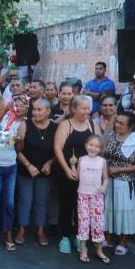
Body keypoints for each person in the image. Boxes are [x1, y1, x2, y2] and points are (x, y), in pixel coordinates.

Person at [53, 95, 102, 254]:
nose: (88, 111)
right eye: (84, 108)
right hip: (67, 173)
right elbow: (58, 149)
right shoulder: (65, 125)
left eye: (89, 108)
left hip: (88, 176)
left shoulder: (93, 125)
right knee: (67, 206)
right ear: (74, 109)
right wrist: (67, 169)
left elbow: (99, 147)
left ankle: (80, 236)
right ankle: (65, 237)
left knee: (83, 208)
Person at [0, 94, 27, 252]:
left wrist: (18, 140)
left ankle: (8, 234)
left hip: (10, 167)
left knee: (9, 203)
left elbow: (16, 148)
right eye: (1, 105)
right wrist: (4, 111)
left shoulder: (17, 122)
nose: (6, 106)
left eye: (5, 104)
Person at [15, 98, 57, 246]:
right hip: (26, 169)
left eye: (39, 110)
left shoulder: (55, 127)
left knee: (41, 201)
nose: (35, 112)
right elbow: (17, 150)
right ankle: (21, 229)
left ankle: (40, 230)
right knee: (25, 200)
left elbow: (58, 150)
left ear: (48, 112)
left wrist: (50, 162)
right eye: (34, 109)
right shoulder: (24, 124)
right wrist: (28, 165)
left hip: (45, 171)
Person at [104, 112, 135, 255]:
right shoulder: (112, 136)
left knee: (124, 211)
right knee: (108, 209)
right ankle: (107, 238)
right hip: (109, 180)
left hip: (124, 182)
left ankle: (123, 242)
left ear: (131, 126)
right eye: (117, 122)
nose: (117, 125)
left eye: (121, 123)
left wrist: (119, 169)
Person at [75, 135, 111, 264]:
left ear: (100, 148)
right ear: (86, 145)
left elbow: (106, 178)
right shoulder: (81, 160)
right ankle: (83, 250)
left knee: (98, 224)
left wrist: (103, 187)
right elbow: (77, 178)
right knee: (83, 223)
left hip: (97, 196)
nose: (93, 148)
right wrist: (73, 166)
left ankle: (99, 250)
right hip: (83, 195)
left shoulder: (102, 161)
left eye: (97, 146)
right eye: (91, 145)